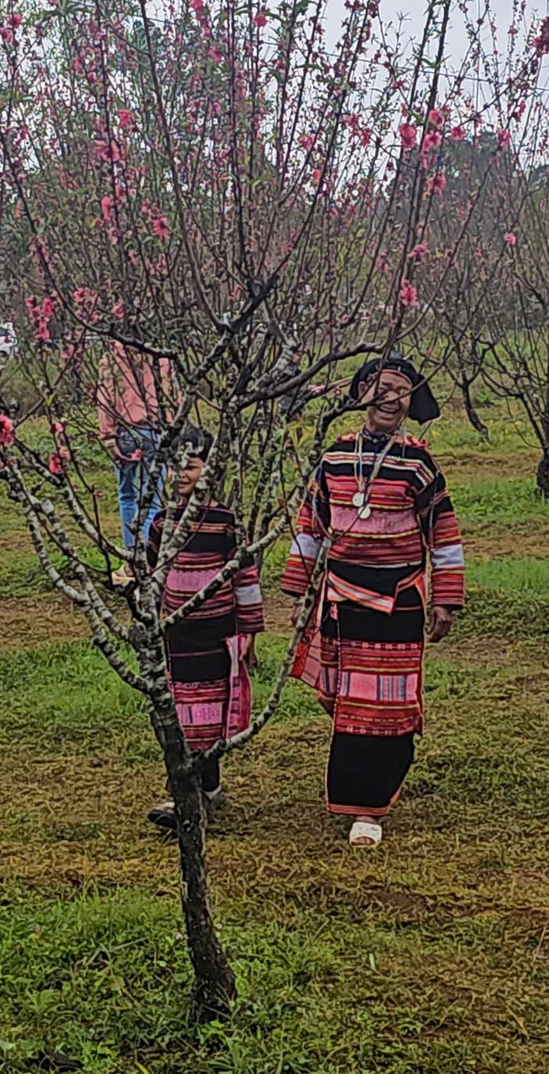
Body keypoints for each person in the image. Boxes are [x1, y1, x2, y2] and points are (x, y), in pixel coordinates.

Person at [281, 355, 465, 848]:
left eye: (399, 391)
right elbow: (311, 526)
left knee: (387, 706)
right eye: (380, 388)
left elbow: (444, 535)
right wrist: (299, 592)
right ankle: (354, 793)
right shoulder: (335, 458)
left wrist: (445, 599)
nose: (389, 399)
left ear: (409, 402)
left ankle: (371, 809)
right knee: (348, 705)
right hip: (341, 603)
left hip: (399, 603)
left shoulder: (419, 464)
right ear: (362, 394)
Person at [143, 428, 264, 829]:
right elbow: (152, 579)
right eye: (176, 465)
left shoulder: (225, 524)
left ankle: (204, 790)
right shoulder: (162, 524)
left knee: (211, 717)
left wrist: (248, 631)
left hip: (216, 636)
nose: (181, 474)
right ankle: (188, 793)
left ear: (211, 470)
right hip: (177, 637)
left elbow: (244, 578)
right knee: (179, 716)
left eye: (191, 466)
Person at [95, 339, 174, 547]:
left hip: (125, 433)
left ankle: (132, 553)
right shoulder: (161, 358)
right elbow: (172, 398)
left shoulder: (110, 360)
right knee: (153, 499)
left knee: (127, 495)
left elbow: (104, 400)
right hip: (155, 431)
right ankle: (148, 553)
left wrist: (108, 436)